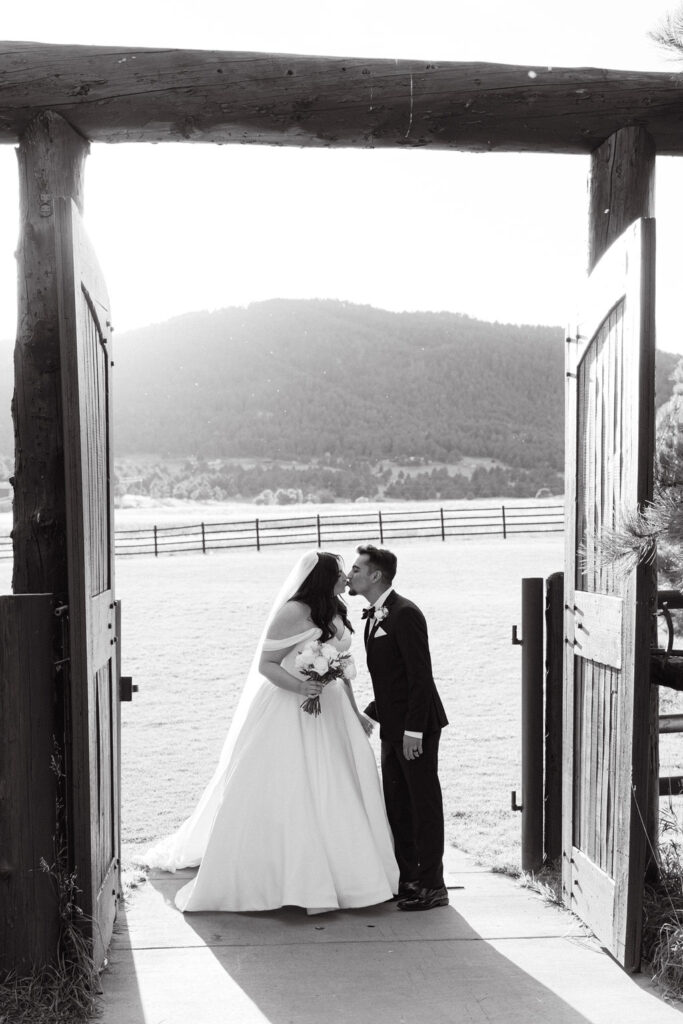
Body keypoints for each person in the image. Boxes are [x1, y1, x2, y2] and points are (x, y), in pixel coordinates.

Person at [138, 550, 399, 914]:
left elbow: (342, 666)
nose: (345, 578)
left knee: (339, 785)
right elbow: (267, 664)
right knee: (293, 786)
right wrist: (301, 687)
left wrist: (355, 713)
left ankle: (354, 875)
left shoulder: (337, 609)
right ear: (322, 578)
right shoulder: (293, 611)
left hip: (334, 710)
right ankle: (292, 878)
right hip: (291, 707)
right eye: (340, 573)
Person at [347, 544, 449, 912]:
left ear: (376, 576)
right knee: (398, 804)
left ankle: (433, 885)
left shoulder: (405, 614)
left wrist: (414, 733)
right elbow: (391, 681)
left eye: (357, 569)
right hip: (393, 727)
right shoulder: (376, 615)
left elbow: (420, 678)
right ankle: (409, 879)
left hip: (415, 728)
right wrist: (369, 714)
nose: (351, 574)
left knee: (422, 804)